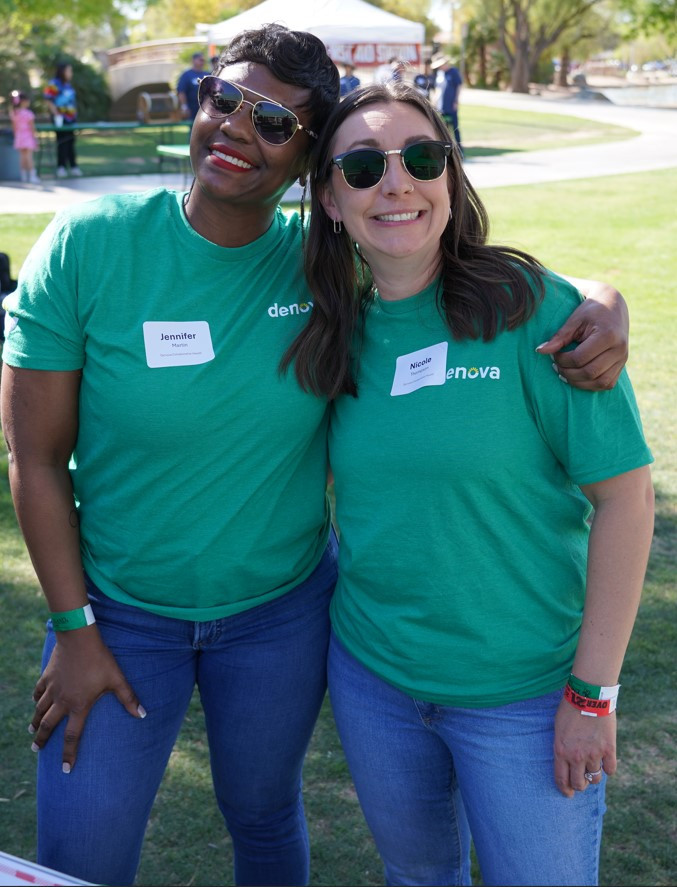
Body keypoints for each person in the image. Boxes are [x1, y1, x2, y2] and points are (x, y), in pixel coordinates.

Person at [1, 22, 632, 887]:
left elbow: (444, 256)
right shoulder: (92, 246)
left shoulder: (324, 274)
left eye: (274, 121)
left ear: (306, 166)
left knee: (263, 815)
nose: (237, 127)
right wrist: (73, 628)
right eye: (227, 99)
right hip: (118, 611)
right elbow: (33, 459)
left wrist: (604, 299)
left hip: (278, 616)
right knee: (80, 858)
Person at [288, 81, 655, 886]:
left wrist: (592, 695)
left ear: (450, 175)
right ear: (327, 197)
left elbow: (625, 498)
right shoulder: (330, 327)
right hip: (374, 680)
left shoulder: (538, 313)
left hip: (522, 695)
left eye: (421, 158)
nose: (395, 184)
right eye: (360, 167)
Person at [43, 63, 82, 179]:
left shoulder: (68, 85)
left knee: (71, 142)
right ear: (62, 71)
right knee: (62, 142)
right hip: (60, 119)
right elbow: (48, 99)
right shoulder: (54, 84)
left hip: (71, 119)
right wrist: (56, 113)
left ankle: (74, 166)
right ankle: (61, 167)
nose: (71, 73)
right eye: (69, 71)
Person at [9, 90, 40, 183]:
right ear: (24, 101)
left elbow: (14, 127)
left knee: (22, 157)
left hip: (19, 136)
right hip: (28, 136)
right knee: (29, 156)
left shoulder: (14, 113)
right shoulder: (28, 113)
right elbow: (32, 127)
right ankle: (32, 176)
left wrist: (16, 136)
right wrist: (35, 138)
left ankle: (23, 176)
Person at [439, 59, 463, 157]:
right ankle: (446, 151)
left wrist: (456, 101)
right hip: (442, 107)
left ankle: (460, 151)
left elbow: (458, 86)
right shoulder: (441, 74)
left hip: (451, 106)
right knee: (444, 128)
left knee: (455, 128)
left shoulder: (453, 72)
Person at [177, 51, 206, 121]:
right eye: (200, 60)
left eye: (203, 60)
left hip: (205, 107)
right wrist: (184, 106)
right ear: (193, 60)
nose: (202, 62)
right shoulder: (186, 75)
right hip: (191, 107)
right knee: (193, 128)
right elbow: (181, 91)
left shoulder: (207, 74)